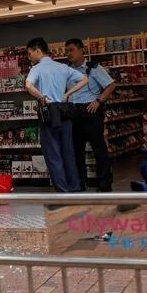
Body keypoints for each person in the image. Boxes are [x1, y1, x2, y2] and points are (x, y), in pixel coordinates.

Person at [24, 37, 90, 193]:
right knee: (68, 153)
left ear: (37, 50)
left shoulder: (37, 69)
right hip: (65, 111)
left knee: (53, 154)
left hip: (49, 113)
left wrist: (41, 97)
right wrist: (67, 93)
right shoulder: (62, 67)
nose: (29, 57)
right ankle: (74, 187)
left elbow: (28, 86)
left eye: (30, 53)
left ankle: (62, 191)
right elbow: (85, 80)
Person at [64, 38, 117, 192]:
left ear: (82, 50)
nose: (68, 53)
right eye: (66, 51)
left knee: (99, 150)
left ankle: (104, 185)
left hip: (91, 111)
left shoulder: (93, 68)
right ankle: (79, 184)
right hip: (74, 112)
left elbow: (111, 85)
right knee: (75, 151)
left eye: (71, 50)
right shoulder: (67, 71)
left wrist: (98, 101)